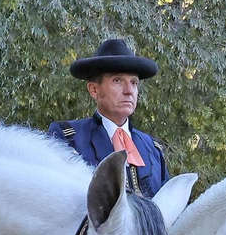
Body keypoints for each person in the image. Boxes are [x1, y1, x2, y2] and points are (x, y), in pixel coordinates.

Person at [46, 38, 170, 197]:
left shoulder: (152, 147)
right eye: (117, 81)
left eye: (134, 83)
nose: (129, 91)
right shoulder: (69, 137)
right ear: (94, 90)